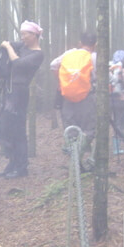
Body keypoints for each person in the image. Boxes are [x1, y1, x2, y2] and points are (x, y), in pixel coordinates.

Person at [0, 21, 45, 178]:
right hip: (8, 92)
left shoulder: (37, 54)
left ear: (34, 35)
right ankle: (13, 161)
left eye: (25, 34)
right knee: (5, 129)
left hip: (19, 94)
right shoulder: (22, 47)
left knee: (18, 131)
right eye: (21, 34)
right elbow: (7, 44)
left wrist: (9, 48)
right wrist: (6, 45)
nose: (22, 37)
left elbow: (18, 64)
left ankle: (21, 167)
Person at [51, 32, 97, 170]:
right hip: (87, 98)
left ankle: (75, 161)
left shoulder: (69, 54)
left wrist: (64, 82)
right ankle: (78, 161)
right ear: (95, 44)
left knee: (71, 130)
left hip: (67, 98)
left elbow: (53, 65)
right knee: (88, 129)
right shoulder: (94, 57)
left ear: (79, 43)